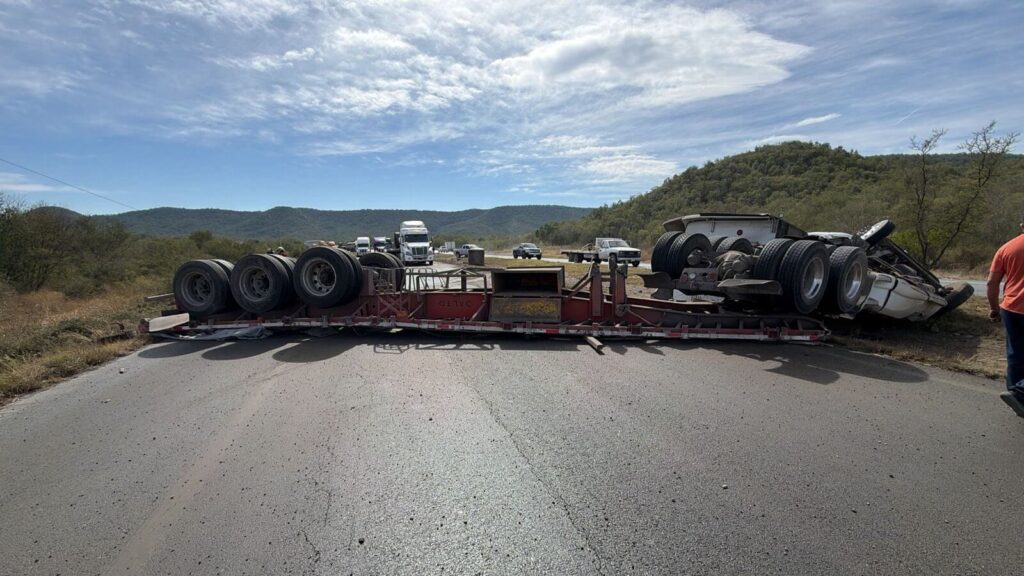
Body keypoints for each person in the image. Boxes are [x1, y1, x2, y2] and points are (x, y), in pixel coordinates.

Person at [989, 218, 1024, 418]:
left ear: (1022, 225)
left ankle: (1015, 393)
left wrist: (994, 309)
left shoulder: (1006, 248)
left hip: (1011, 308)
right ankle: (1020, 393)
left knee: (1016, 352)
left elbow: (991, 284)